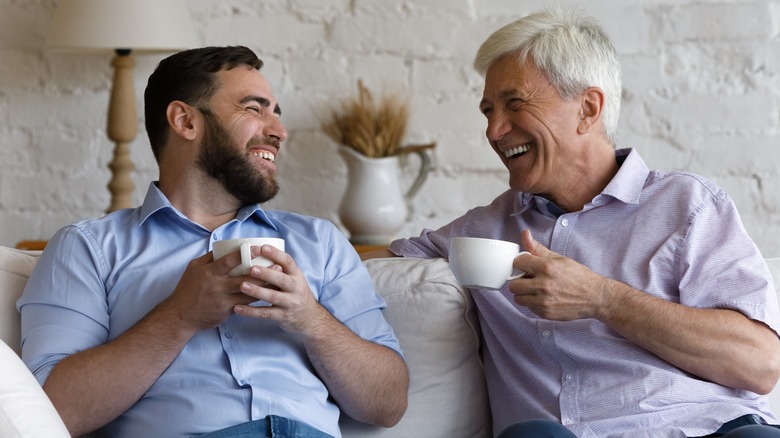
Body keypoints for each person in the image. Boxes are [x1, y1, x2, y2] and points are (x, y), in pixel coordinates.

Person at [364, 5, 780, 438]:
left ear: (587, 108)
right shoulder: (483, 233)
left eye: (514, 104)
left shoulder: (688, 206)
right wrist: (297, 242)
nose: (493, 130)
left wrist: (602, 298)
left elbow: (760, 363)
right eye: (488, 111)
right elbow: (365, 257)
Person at [17, 46, 409, 438]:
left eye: (276, 113)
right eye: (254, 110)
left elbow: (388, 405)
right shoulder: (88, 248)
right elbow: (49, 413)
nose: (278, 131)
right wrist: (180, 315)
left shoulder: (320, 242)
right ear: (185, 120)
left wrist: (311, 320)